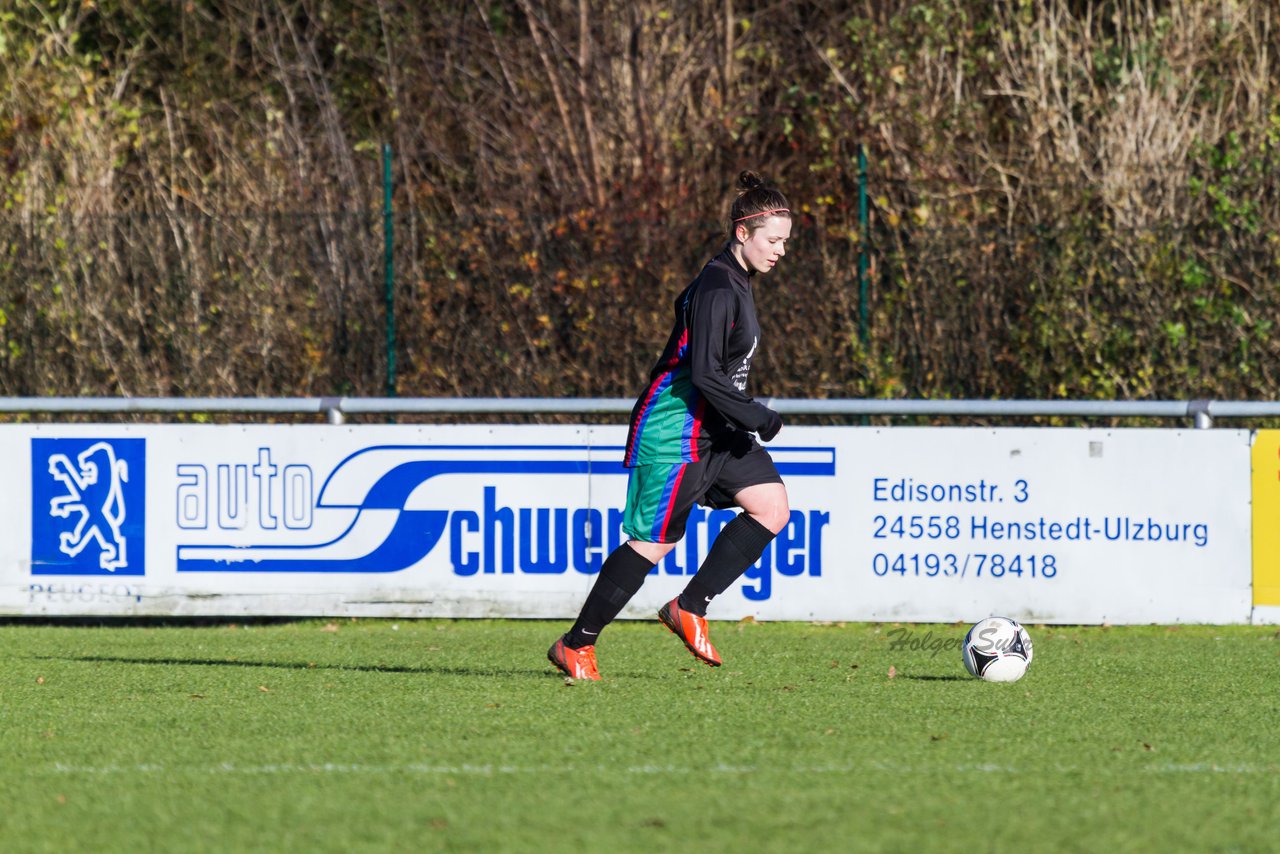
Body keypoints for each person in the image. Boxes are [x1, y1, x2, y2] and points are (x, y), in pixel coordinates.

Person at [548, 170, 794, 680]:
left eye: (785, 242)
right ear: (743, 233)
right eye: (774, 240)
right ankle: (576, 645)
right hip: (676, 425)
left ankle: (690, 606)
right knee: (653, 543)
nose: (780, 251)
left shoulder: (738, 280)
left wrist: (741, 415)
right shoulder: (717, 286)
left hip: (716, 425)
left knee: (771, 507)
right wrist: (757, 415)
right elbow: (704, 373)